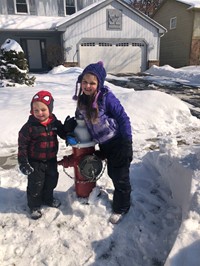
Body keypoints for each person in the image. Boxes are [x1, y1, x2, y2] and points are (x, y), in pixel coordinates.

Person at [73, 61, 133, 224]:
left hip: (119, 141)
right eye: (85, 82)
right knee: (112, 173)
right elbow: (79, 119)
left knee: (120, 176)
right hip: (105, 144)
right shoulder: (82, 100)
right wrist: (69, 130)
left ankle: (122, 207)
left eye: (92, 83)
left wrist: (127, 142)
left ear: (99, 84)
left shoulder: (107, 98)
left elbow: (123, 118)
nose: (87, 86)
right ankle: (122, 198)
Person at [18, 90, 76, 220]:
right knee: (36, 184)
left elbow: (62, 132)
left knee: (51, 180)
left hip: (51, 159)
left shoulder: (54, 122)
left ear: (50, 109)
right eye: (36, 110)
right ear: (31, 110)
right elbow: (22, 146)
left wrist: (68, 133)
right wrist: (23, 162)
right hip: (35, 161)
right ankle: (34, 205)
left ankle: (48, 198)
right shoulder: (29, 127)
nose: (39, 113)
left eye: (43, 109)